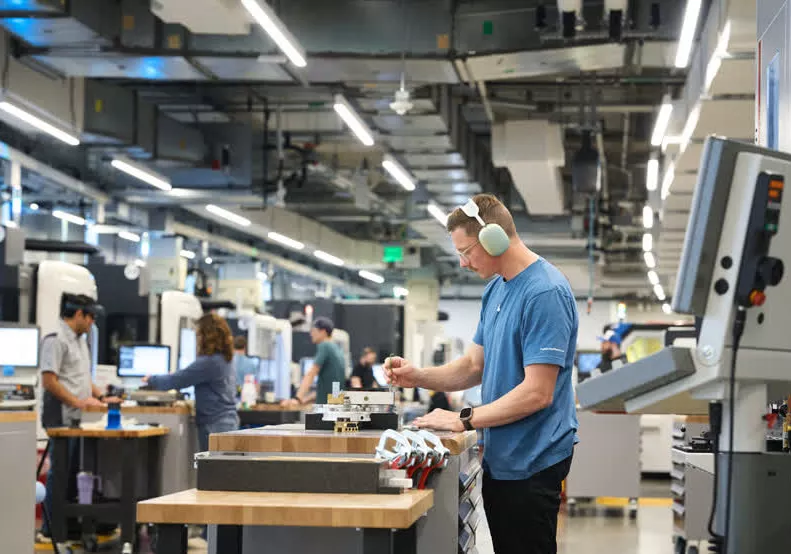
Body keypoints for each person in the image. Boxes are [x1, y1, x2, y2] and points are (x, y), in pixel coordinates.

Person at [385, 193, 579, 554]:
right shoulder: (496, 289)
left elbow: (538, 392)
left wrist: (464, 418)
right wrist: (419, 376)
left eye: (466, 251)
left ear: (495, 238)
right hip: (503, 457)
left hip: (533, 460)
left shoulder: (544, 293)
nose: (462, 263)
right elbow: (474, 365)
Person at [39, 294, 119, 538]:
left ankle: (69, 523)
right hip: (61, 417)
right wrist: (77, 401)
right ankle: (50, 529)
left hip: (79, 418)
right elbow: (49, 380)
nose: (93, 321)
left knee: (75, 471)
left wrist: (103, 397)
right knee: (60, 471)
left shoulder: (80, 341)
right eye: (90, 316)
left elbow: (82, 378)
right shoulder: (55, 341)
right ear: (78, 315)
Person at [143, 313, 239, 452]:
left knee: (212, 471)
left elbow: (178, 380)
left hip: (215, 426)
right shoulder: (224, 359)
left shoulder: (209, 362)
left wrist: (150, 379)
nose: (198, 340)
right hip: (226, 423)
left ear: (207, 337)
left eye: (199, 335)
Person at [283, 317, 345, 406]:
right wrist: (306, 399)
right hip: (335, 405)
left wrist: (297, 398)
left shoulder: (325, 346)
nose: (311, 334)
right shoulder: (337, 349)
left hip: (325, 410)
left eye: (313, 331)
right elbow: (332, 387)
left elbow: (311, 374)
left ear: (323, 332)